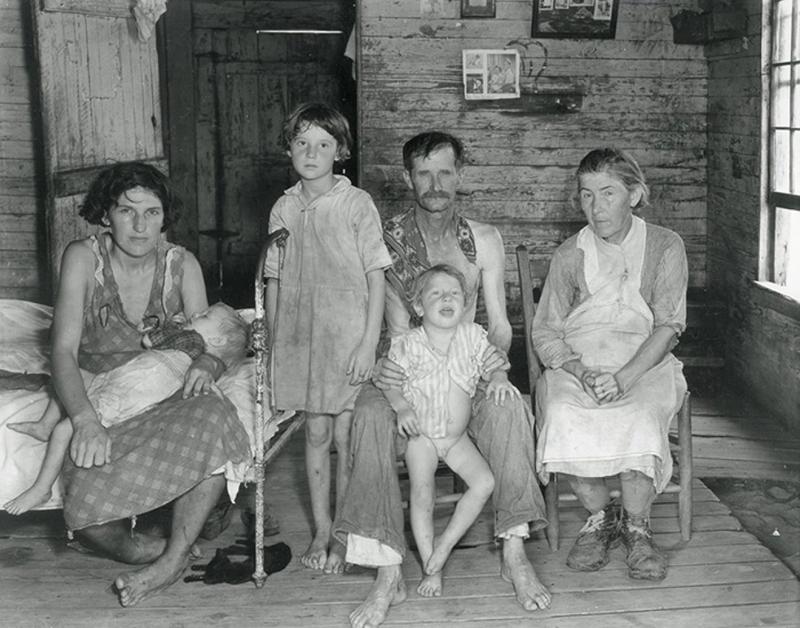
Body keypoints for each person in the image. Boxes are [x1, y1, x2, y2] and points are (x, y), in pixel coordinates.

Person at [333, 131, 551, 628]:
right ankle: (388, 570)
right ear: (408, 177)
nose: (435, 184)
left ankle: (514, 551)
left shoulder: (483, 239)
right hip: (402, 365)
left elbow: (497, 323)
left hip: (467, 365)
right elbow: (371, 317)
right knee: (366, 415)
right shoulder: (382, 238)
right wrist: (385, 369)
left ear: (460, 176)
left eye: (445, 172)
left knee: (509, 405)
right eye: (423, 173)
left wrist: (494, 370)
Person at [46, 161, 251, 607]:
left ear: (164, 217)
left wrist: (210, 366)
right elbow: (61, 351)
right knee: (89, 525)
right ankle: (157, 548)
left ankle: (168, 562)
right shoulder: (83, 258)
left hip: (164, 391)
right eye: (127, 211)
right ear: (106, 214)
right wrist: (83, 420)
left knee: (216, 414)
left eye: (152, 212)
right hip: (107, 399)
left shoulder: (182, 265)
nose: (140, 226)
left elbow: (209, 340)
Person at [531, 148, 688, 581]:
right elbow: (545, 331)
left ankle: (637, 526)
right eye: (586, 196)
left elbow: (670, 325)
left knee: (639, 413)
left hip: (645, 360)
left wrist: (623, 379)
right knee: (563, 411)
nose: (596, 208)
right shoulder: (569, 255)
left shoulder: (665, 246)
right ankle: (600, 519)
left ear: (635, 195)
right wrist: (580, 372)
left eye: (608, 193)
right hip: (580, 363)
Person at [264, 103, 391, 575]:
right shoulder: (283, 206)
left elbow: (376, 276)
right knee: (314, 431)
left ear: (341, 151)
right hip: (301, 337)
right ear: (289, 150)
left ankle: (345, 530)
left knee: (344, 433)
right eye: (301, 143)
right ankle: (321, 526)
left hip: (347, 335)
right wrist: (277, 343)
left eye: (322, 144)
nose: (311, 152)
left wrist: (367, 343)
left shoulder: (357, 203)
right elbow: (273, 280)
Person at [4, 302, 249, 515]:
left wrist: (170, 326)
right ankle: (44, 426)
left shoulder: (191, 341)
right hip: (115, 382)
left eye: (204, 317)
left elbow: (149, 340)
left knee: (64, 431)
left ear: (216, 340)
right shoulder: (196, 358)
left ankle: (41, 488)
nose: (195, 315)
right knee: (66, 376)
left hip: (121, 397)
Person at [385, 264, 520, 598]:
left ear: (464, 302)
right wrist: (402, 407)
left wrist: (499, 379)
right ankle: (434, 569)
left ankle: (443, 545)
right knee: (422, 493)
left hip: (457, 439)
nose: (447, 299)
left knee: (485, 481)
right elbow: (388, 382)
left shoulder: (473, 336)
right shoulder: (407, 343)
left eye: (454, 294)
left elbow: (495, 362)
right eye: (436, 293)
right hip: (423, 439)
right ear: (418, 306)